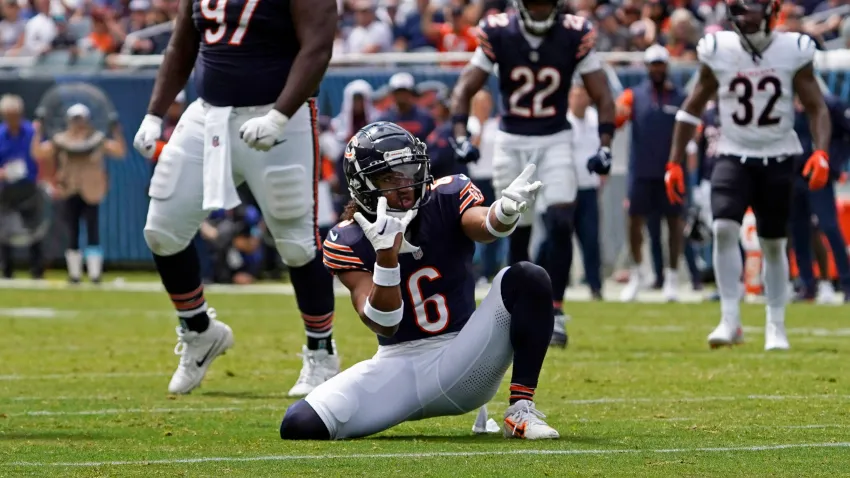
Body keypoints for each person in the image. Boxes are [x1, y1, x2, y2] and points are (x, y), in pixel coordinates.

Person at [279, 121, 560, 441]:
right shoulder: (347, 239)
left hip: (466, 354)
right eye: (389, 177)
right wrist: (386, 258)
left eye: (410, 171)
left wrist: (504, 211)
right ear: (363, 185)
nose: (405, 185)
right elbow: (384, 324)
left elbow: (483, 224)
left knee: (526, 278)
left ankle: (520, 409)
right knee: (299, 424)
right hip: (399, 365)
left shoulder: (444, 197)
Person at [131, 0, 340, 396]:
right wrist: (155, 114)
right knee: (162, 230)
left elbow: (318, 48)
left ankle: (322, 352)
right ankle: (199, 331)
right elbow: (181, 46)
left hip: (282, 118)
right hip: (207, 116)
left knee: (297, 244)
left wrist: (279, 114)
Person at [665, 0, 832, 351]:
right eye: (738, 9)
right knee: (724, 229)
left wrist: (821, 151)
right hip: (731, 152)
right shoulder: (718, 48)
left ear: (772, 12)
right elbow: (692, 107)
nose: (744, 16)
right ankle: (730, 319)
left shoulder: (793, 48)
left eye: (751, 8)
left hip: (778, 154)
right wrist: (674, 161)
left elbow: (816, 106)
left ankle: (776, 323)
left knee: (773, 243)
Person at [449, 0, 616, 348]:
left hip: (555, 137)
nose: (540, 10)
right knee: (514, 231)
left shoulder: (574, 32)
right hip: (511, 141)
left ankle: (555, 310)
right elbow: (465, 87)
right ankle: (517, 308)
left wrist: (605, 143)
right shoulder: (498, 30)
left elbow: (601, 91)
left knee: (560, 220)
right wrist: (461, 136)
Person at [614, 44, 688, 302]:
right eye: (653, 64)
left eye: (660, 64)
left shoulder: (679, 96)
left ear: (666, 66)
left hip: (670, 170)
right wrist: (617, 112)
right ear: (647, 67)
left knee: (674, 223)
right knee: (635, 221)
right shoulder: (634, 95)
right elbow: (616, 120)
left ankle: (671, 277)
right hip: (642, 169)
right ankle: (637, 274)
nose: (657, 68)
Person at [31, 104, 126, 284]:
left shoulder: (97, 139)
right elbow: (38, 153)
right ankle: (74, 274)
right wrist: (38, 132)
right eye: (75, 119)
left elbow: (119, 152)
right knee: (72, 232)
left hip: (92, 190)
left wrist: (116, 132)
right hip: (70, 190)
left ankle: (94, 274)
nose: (78, 123)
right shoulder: (61, 140)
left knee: (93, 232)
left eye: (81, 119)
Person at [0, 94, 43, 280]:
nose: (12, 119)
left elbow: (42, 156)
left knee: (34, 229)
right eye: (8, 115)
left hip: (29, 186)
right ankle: (7, 270)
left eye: (15, 114)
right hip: (7, 187)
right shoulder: (0, 134)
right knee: (4, 230)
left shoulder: (32, 132)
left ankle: (37, 270)